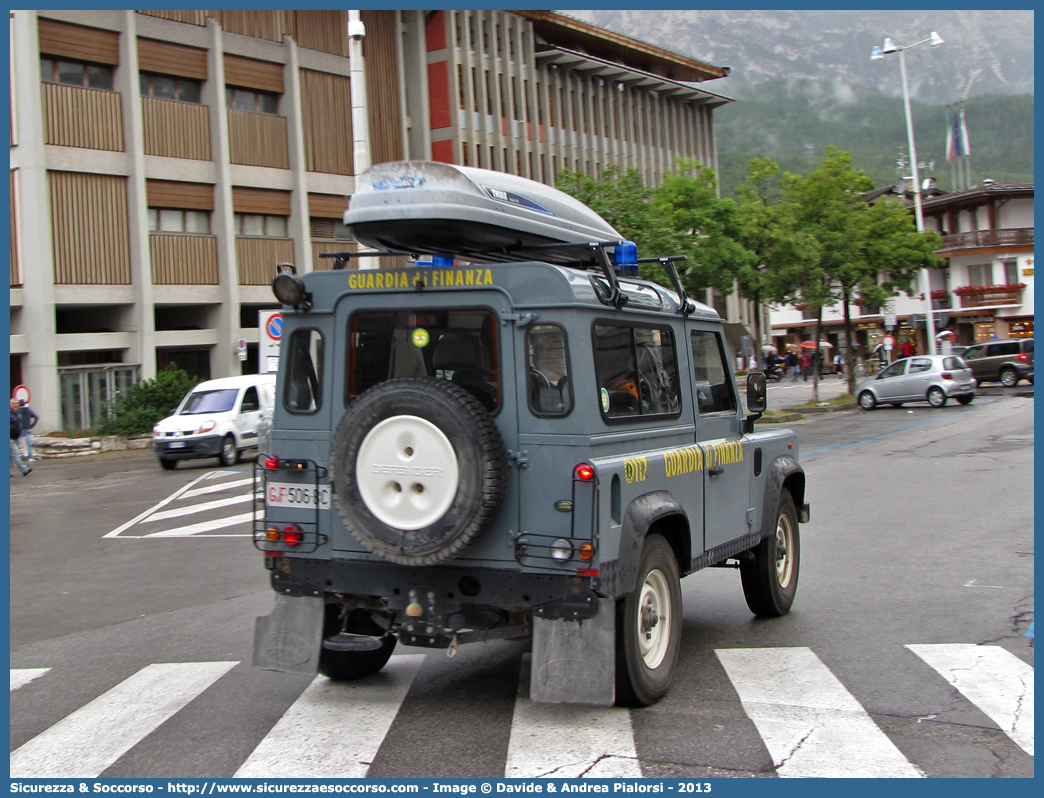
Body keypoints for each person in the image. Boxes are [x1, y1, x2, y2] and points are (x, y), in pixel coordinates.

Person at [10, 399, 31, 476]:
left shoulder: (17, 413)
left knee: (11, 456)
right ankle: (24, 469)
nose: (15, 405)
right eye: (13, 403)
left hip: (15, 436)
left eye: (16, 403)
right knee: (15, 454)